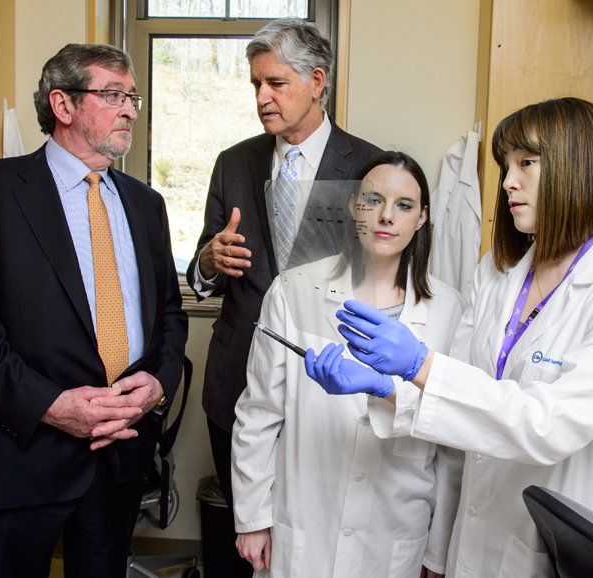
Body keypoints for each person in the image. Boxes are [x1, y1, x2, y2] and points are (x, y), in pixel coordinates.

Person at [306, 97, 593, 577]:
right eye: (507, 164)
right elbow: (463, 420)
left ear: (580, 167)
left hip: (550, 548)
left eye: (527, 163)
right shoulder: (497, 273)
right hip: (470, 537)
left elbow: (550, 424)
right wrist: (390, 390)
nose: (509, 181)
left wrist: (422, 367)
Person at [0, 44, 188, 578]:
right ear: (64, 104)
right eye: (113, 95)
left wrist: (158, 384)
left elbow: (169, 313)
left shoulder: (146, 205)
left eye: (133, 97)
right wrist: (52, 405)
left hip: (119, 457)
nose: (131, 110)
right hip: (23, 455)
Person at [185, 16, 381, 561]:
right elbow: (202, 282)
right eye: (255, 85)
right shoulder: (233, 163)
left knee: (314, 540)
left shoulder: (369, 166)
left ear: (317, 82)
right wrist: (208, 261)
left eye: (276, 84)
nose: (262, 98)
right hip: (237, 382)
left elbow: (389, 281)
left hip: (329, 383)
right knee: (247, 536)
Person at [232, 152, 465, 577]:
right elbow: (259, 413)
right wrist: (253, 518)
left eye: (404, 205)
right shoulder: (294, 291)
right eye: (372, 200)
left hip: (394, 529)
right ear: (352, 207)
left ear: (422, 218)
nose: (386, 216)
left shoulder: (449, 310)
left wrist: (438, 551)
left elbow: (452, 448)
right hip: (304, 520)